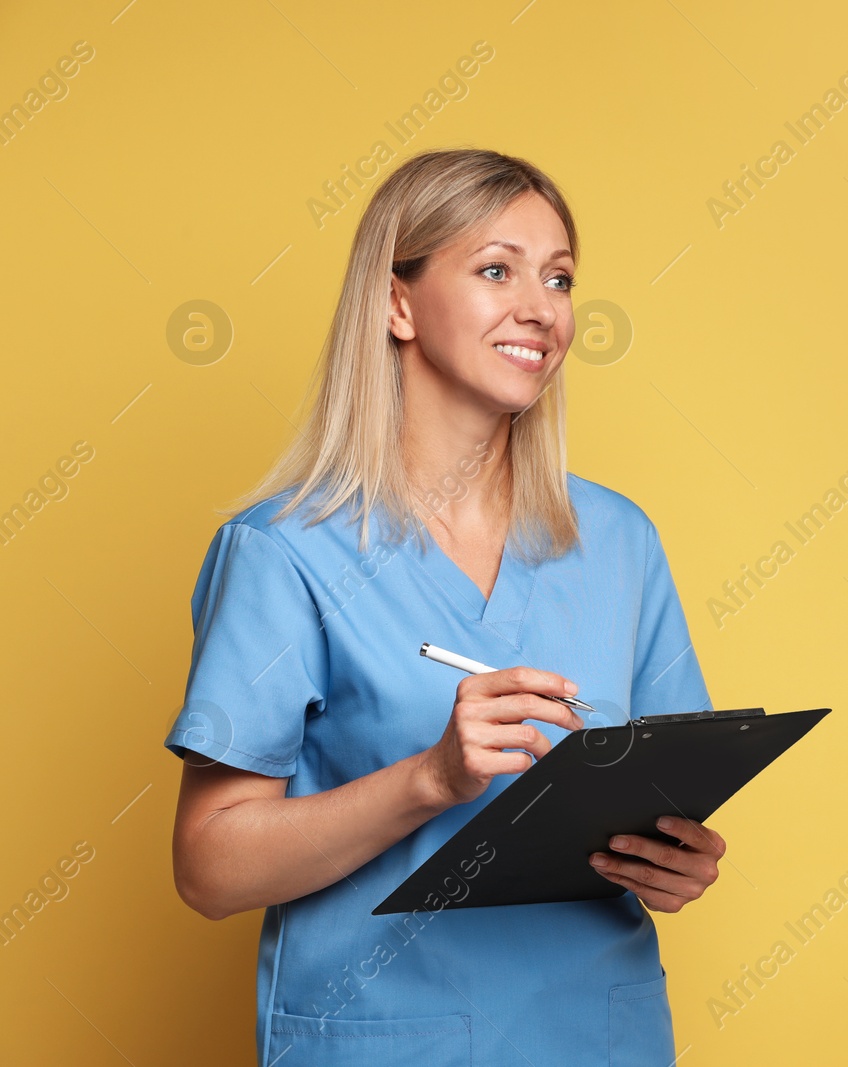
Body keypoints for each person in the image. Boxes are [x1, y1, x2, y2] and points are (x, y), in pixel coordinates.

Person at [165, 147, 725, 1067]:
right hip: (386, 1039)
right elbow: (208, 870)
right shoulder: (284, 553)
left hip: (599, 1033)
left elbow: (671, 786)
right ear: (397, 303)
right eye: (496, 269)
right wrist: (432, 779)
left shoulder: (620, 541)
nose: (541, 308)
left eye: (559, 278)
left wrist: (679, 859)